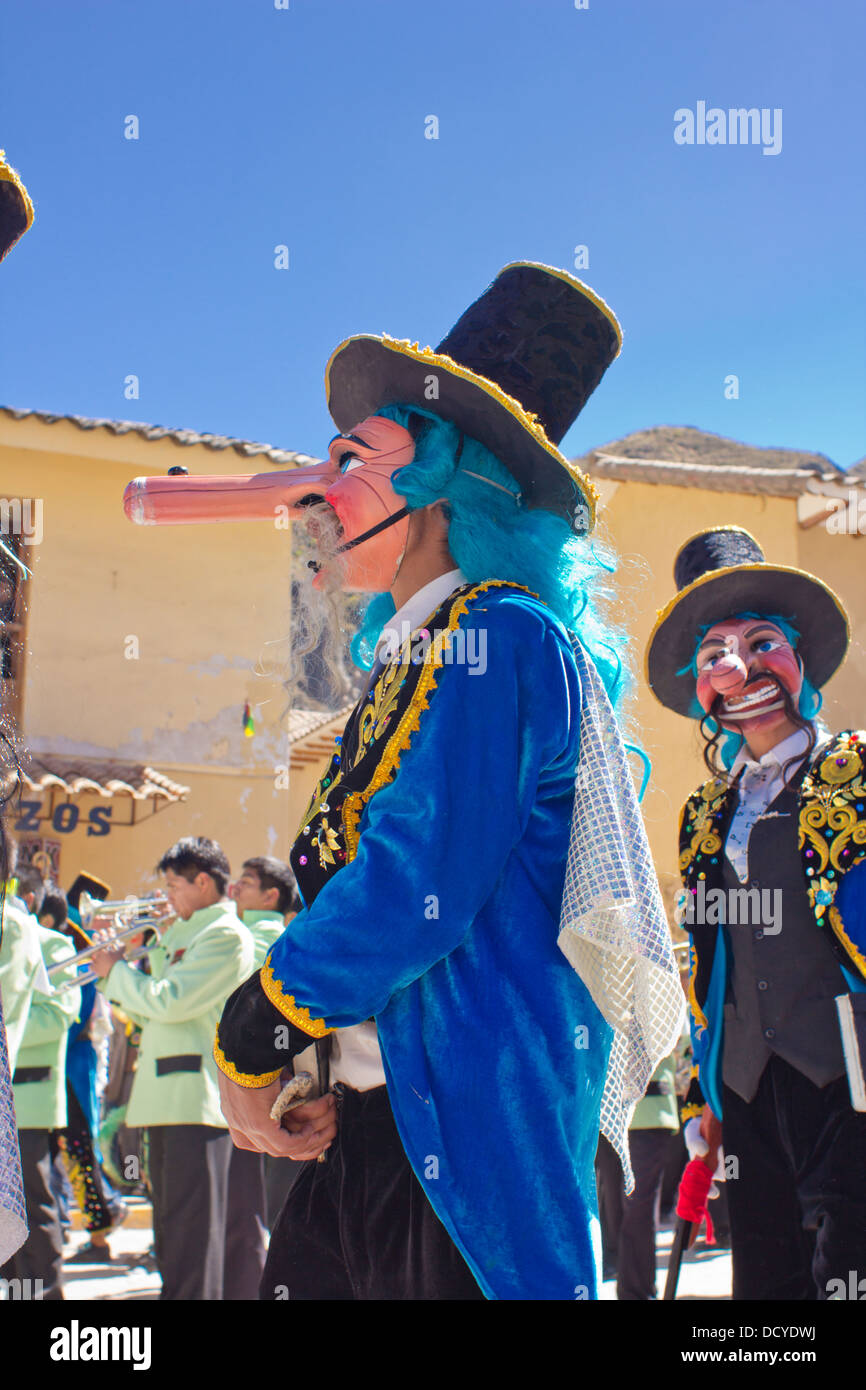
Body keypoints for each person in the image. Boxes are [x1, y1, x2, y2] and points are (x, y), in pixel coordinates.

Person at [204, 262, 683, 1300]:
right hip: (377, 1133)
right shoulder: (413, 663)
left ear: (440, 474)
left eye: (351, 457)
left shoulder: (499, 634)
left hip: (462, 1148)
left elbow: (409, 887)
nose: (315, 490)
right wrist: (306, 1063)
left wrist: (255, 1029)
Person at [645, 525, 866, 1300]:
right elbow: (707, 960)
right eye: (714, 657)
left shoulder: (858, 770)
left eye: (761, 642)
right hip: (745, 1083)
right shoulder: (704, 812)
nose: (739, 669)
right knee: (766, 1291)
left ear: (800, 658)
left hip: (848, 1071)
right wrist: (703, 1096)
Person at [91, 837, 254, 1299]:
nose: (166, 897)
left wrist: (117, 972)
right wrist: (119, 972)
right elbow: (151, 1015)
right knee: (170, 1233)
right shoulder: (183, 935)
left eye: (173, 885)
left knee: (192, 1237)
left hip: (195, 1103)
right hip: (164, 1102)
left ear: (203, 883)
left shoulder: (223, 935)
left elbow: (172, 1001)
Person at [223, 856, 302, 1297]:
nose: (234, 890)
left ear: (271, 896)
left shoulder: (266, 937)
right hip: (254, 1091)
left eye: (246, 884)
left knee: (267, 1213)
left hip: (277, 1092)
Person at [1, 872, 80, 1299]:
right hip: (6, 1094)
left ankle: (47, 1295)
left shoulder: (51, 943)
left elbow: (59, 1016)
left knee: (34, 1204)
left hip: (29, 1095)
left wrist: (8, 1028)